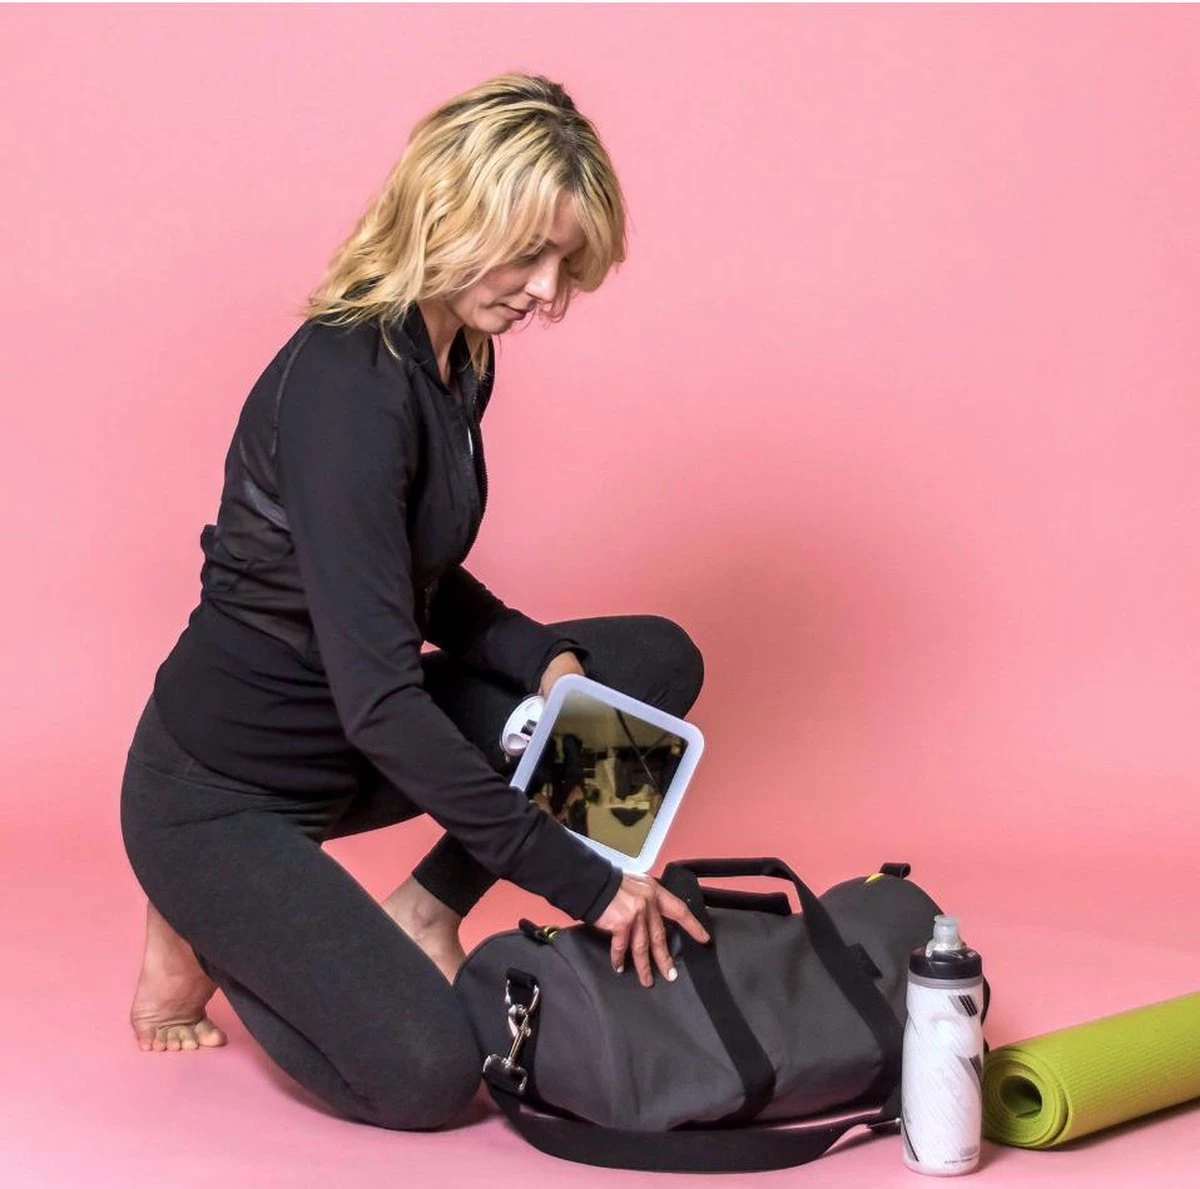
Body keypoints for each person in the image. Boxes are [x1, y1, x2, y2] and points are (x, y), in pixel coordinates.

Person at [119, 72, 711, 1132]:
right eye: (529, 254)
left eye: (565, 263)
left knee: (645, 668)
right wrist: (590, 883)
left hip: (353, 743)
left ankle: (426, 912)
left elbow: (409, 574)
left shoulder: (457, 351)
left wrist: (542, 659)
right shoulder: (349, 391)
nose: (545, 290)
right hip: (224, 793)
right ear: (450, 211)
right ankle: (205, 919)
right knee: (431, 1075)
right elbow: (385, 704)